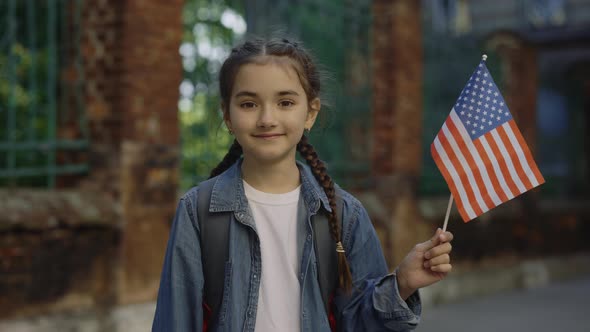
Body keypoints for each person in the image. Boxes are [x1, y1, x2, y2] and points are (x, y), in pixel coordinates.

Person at [152, 37, 453, 332]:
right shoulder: (198, 211)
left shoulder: (344, 213)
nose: (267, 119)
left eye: (285, 102)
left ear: (310, 112)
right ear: (227, 116)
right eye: (248, 104)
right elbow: (175, 320)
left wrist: (401, 283)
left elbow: (361, 322)